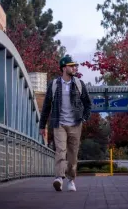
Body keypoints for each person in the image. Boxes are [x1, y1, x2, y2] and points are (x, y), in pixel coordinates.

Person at [39, 55, 92, 192]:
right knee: (60, 151)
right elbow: (46, 107)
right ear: (64, 67)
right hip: (59, 123)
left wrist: (84, 118)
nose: (74, 68)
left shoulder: (79, 84)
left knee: (73, 154)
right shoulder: (54, 84)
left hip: (75, 124)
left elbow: (88, 104)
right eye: (71, 65)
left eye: (74, 66)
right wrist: (42, 126)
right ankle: (58, 178)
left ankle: (71, 180)